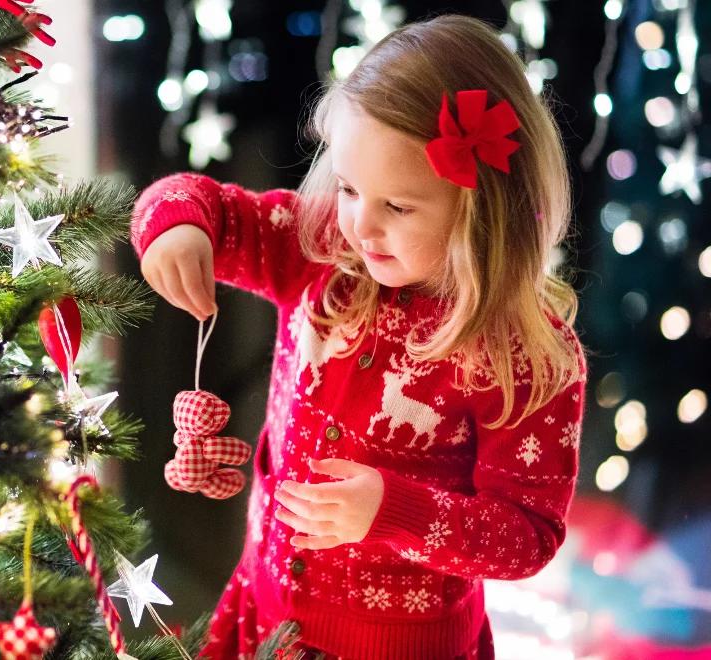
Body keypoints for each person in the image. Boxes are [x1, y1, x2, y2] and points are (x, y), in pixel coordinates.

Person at [130, 15, 588, 660]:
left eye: (398, 207)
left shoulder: (526, 357)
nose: (360, 225)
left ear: (484, 206)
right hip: (265, 615)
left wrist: (393, 510)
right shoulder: (321, 252)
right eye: (347, 188)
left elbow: (528, 537)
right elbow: (199, 201)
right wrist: (180, 227)